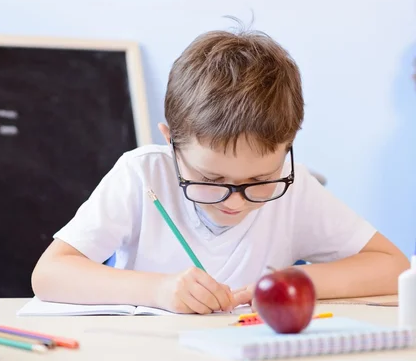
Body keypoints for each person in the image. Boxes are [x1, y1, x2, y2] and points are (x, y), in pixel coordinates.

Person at [31, 25, 409, 314]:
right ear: (171, 141)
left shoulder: (296, 188)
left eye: (260, 181)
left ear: (288, 146)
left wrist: (294, 278)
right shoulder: (142, 175)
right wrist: (157, 290)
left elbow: (393, 266)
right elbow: (50, 274)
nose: (235, 203)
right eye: (212, 180)